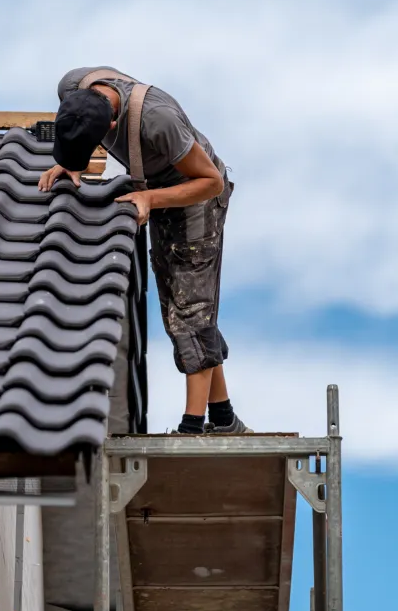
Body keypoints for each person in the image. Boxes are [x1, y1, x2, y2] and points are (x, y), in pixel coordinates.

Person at [39, 67, 249, 435]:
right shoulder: (74, 86)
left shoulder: (157, 119)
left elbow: (211, 183)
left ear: (112, 122)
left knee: (190, 311)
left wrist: (150, 197)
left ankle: (192, 427)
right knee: (176, 308)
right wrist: (69, 161)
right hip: (154, 189)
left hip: (194, 194)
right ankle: (223, 417)